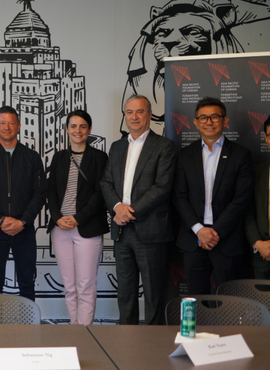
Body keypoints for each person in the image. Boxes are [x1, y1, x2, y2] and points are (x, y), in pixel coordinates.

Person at [100, 94, 175, 325]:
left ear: (149, 115)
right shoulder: (117, 146)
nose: (134, 117)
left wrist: (129, 211)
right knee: (125, 292)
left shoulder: (164, 146)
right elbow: (106, 182)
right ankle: (127, 342)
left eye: (139, 111)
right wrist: (117, 208)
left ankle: (153, 346)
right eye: (129, 112)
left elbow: (162, 187)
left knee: (154, 294)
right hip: (122, 232)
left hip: (150, 231)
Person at [175, 97, 253, 293]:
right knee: (196, 300)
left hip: (226, 240)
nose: (208, 122)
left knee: (229, 301)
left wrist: (214, 232)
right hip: (194, 240)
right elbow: (179, 196)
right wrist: (199, 230)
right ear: (195, 122)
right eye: (203, 118)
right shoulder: (185, 155)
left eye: (214, 117)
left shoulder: (240, 155)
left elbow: (241, 199)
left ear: (225, 121)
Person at [0, 106, 45, 301]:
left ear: (19, 126)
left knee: (27, 283)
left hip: (25, 229)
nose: (7, 127)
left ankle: (28, 329)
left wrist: (23, 221)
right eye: (2, 123)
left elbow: (39, 194)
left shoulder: (32, 158)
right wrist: (0, 219)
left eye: (11, 123)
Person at [47, 110, 108, 325]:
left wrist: (77, 218)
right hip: (60, 229)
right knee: (69, 286)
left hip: (87, 228)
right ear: (66, 129)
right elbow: (51, 190)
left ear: (89, 130)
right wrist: (57, 218)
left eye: (82, 126)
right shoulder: (59, 157)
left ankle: (85, 335)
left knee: (85, 286)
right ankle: (74, 330)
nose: (77, 130)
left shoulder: (99, 158)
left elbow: (100, 194)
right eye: (73, 126)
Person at [246, 115, 270, 280]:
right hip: (262, 259)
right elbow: (248, 213)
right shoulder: (258, 172)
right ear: (266, 139)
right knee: (261, 306)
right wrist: (257, 243)